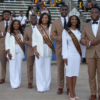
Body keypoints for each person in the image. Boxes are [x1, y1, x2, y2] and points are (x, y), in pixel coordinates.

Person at [81, 7, 100, 100]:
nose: (93, 14)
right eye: (92, 12)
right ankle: (93, 93)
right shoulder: (85, 26)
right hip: (90, 53)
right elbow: (81, 39)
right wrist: (89, 43)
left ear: (99, 13)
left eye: (96, 12)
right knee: (91, 75)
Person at [62, 8, 81, 100]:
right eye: (72, 19)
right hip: (69, 55)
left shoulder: (79, 31)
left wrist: (82, 56)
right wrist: (64, 56)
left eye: (75, 19)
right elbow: (64, 45)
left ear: (77, 21)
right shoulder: (65, 31)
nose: (74, 20)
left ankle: (74, 91)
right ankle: (71, 93)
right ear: (70, 20)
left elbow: (81, 44)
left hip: (77, 55)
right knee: (69, 73)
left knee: (75, 73)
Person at [32, 13, 54, 92]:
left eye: (46, 17)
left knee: (47, 68)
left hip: (48, 49)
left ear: (48, 19)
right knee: (39, 68)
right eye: (43, 17)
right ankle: (40, 86)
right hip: (39, 49)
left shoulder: (51, 27)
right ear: (41, 19)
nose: (44, 19)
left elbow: (53, 38)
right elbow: (34, 40)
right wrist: (35, 50)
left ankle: (46, 86)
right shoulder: (36, 28)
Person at [51, 5, 69, 95]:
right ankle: (60, 87)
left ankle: (69, 87)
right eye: (63, 10)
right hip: (59, 47)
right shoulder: (55, 22)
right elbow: (52, 36)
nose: (64, 11)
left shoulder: (72, 20)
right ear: (60, 10)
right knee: (60, 69)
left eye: (66, 9)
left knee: (69, 68)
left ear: (68, 10)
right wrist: (61, 38)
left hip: (71, 48)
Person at [5, 20, 24, 89]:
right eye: (14, 24)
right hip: (12, 51)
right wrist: (8, 52)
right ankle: (13, 83)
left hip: (19, 50)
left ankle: (18, 82)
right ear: (12, 25)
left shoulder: (21, 32)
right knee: (12, 68)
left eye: (17, 24)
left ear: (19, 25)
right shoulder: (9, 32)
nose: (16, 25)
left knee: (19, 67)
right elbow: (7, 43)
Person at [24, 14, 37, 89]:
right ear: (30, 19)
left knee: (39, 67)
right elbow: (24, 40)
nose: (33, 20)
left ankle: (39, 82)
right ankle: (30, 82)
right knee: (29, 67)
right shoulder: (26, 29)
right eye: (32, 18)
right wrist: (32, 43)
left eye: (35, 18)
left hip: (39, 50)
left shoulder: (40, 28)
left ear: (37, 19)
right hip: (30, 50)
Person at [0, 10, 12, 84]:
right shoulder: (0, 23)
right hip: (2, 46)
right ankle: (2, 77)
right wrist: (2, 33)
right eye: (5, 14)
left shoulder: (14, 23)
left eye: (8, 14)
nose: (6, 15)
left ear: (10, 15)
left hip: (11, 46)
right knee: (3, 63)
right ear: (3, 16)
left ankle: (12, 78)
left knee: (12, 63)